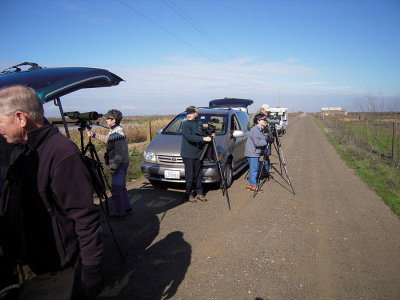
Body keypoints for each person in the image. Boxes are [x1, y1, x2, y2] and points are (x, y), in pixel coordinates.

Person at [0, 85, 103, 299]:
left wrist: (91, 268)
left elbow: (84, 217)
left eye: (0, 120)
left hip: (50, 270)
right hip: (22, 262)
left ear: (20, 117)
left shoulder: (62, 154)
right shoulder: (22, 150)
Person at [87, 109, 132, 220]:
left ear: (114, 120)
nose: (106, 120)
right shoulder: (115, 131)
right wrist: (94, 135)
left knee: (116, 189)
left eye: (108, 118)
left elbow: (119, 154)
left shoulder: (118, 133)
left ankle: (120, 213)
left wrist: (113, 167)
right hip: (122, 163)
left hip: (119, 164)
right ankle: (127, 207)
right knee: (121, 187)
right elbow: (108, 140)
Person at [180, 106, 211, 202]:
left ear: (196, 114)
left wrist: (209, 135)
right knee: (190, 175)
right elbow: (190, 137)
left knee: (198, 174)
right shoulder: (185, 124)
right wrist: (203, 139)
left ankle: (200, 193)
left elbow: (203, 133)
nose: (188, 115)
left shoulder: (199, 123)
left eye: (191, 113)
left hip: (198, 153)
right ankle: (189, 193)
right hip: (188, 154)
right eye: (187, 113)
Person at [244, 113, 274, 192]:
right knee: (255, 169)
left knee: (253, 169)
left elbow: (261, 139)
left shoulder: (260, 129)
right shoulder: (255, 129)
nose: (265, 121)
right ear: (258, 121)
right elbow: (257, 143)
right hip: (252, 153)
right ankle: (253, 186)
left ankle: (250, 184)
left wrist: (268, 138)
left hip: (254, 152)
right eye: (263, 120)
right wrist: (267, 140)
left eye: (265, 119)